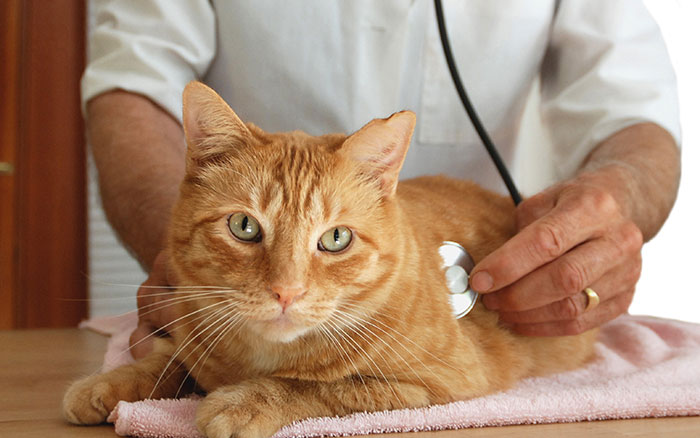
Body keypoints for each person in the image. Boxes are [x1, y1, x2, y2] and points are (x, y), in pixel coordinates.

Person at [83, 0, 681, 357]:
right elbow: (133, 83)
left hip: (483, 288)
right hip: (233, 299)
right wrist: (191, 250)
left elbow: (635, 112)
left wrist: (616, 199)